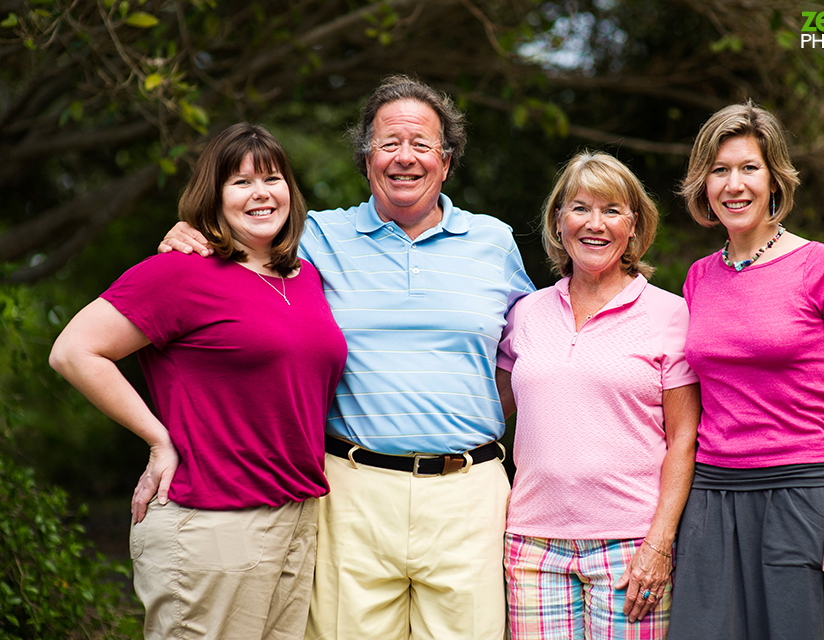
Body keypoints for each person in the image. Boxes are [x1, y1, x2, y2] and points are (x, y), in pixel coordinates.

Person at [159, 75, 535, 640]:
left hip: (468, 493)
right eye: (388, 144)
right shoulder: (312, 238)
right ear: (366, 159)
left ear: (447, 161)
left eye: (421, 144)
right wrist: (188, 234)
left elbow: (523, 355)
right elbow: (238, 259)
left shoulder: (494, 241)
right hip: (350, 490)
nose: (404, 158)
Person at [49, 123, 347, 639]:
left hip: (296, 513)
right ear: (212, 196)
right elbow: (74, 352)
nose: (261, 194)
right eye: (240, 182)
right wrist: (157, 439)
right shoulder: (181, 272)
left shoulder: (304, 277)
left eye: (272, 178)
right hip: (212, 519)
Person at [667, 102, 824, 640]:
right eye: (719, 170)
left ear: (775, 177)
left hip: (802, 497)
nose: (734, 185)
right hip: (711, 501)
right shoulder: (698, 278)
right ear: (703, 185)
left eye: (748, 168)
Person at [496, 150, 701, 640]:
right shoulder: (525, 313)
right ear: (558, 221)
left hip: (630, 545)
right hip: (532, 544)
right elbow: (486, 416)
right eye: (581, 207)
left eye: (612, 210)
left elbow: (685, 440)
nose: (596, 223)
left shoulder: (670, 314)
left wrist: (660, 542)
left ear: (634, 225)